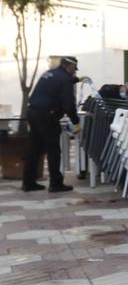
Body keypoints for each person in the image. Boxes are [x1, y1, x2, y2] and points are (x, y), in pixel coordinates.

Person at [22, 55, 79, 192]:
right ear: (69, 66)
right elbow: (68, 105)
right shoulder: (65, 79)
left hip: (32, 112)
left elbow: (55, 85)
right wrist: (76, 122)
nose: (74, 72)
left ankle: (28, 182)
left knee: (34, 149)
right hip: (47, 116)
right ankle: (56, 184)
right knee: (53, 150)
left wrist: (73, 80)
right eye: (74, 69)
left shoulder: (49, 73)